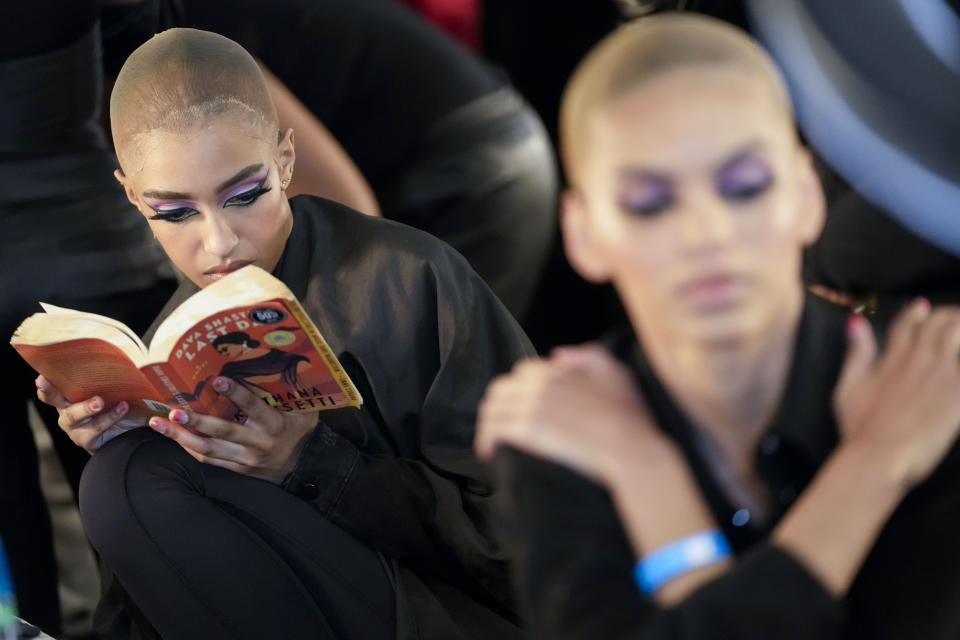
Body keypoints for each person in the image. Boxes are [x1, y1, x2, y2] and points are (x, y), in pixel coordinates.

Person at [34, 27, 532, 640]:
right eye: (175, 212)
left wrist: (307, 462)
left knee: (127, 481)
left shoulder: (410, 280)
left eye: (245, 195)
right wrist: (129, 435)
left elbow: (529, 544)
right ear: (132, 197)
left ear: (286, 160)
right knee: (122, 474)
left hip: (449, 612)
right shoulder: (171, 335)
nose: (218, 243)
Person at [474, 13, 960, 639]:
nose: (707, 235)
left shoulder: (927, 388)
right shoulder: (558, 431)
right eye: (650, 202)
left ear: (808, 196)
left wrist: (648, 479)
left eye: (745, 188)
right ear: (584, 234)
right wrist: (874, 467)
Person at [0, 1, 176, 633]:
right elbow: (160, 52)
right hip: (91, 259)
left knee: (15, 542)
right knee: (147, 498)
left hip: (85, 258)